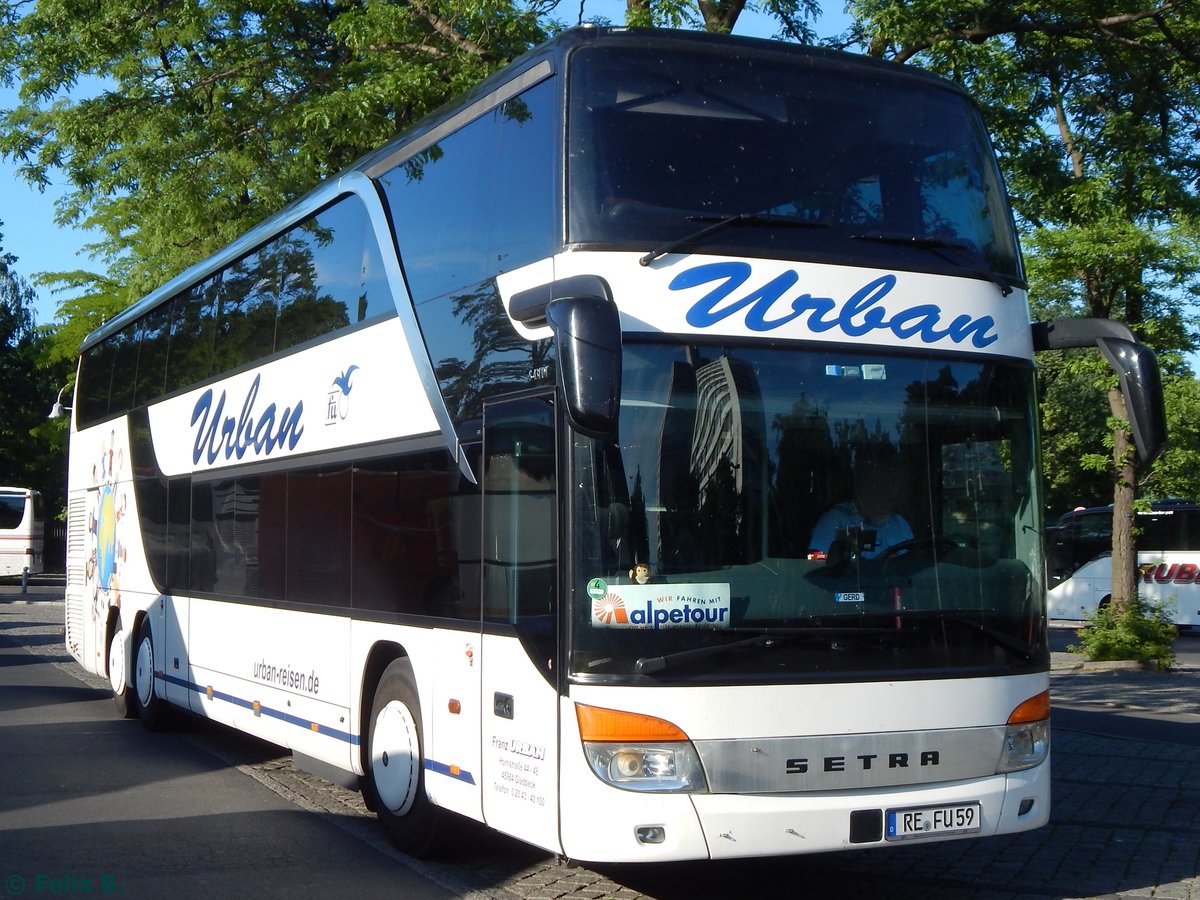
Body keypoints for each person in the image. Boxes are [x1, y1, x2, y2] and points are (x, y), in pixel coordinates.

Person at [808, 461, 913, 559]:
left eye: (889, 490)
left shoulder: (900, 524)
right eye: (877, 487)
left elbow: (912, 566)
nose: (884, 496)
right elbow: (814, 559)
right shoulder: (836, 520)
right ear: (861, 491)